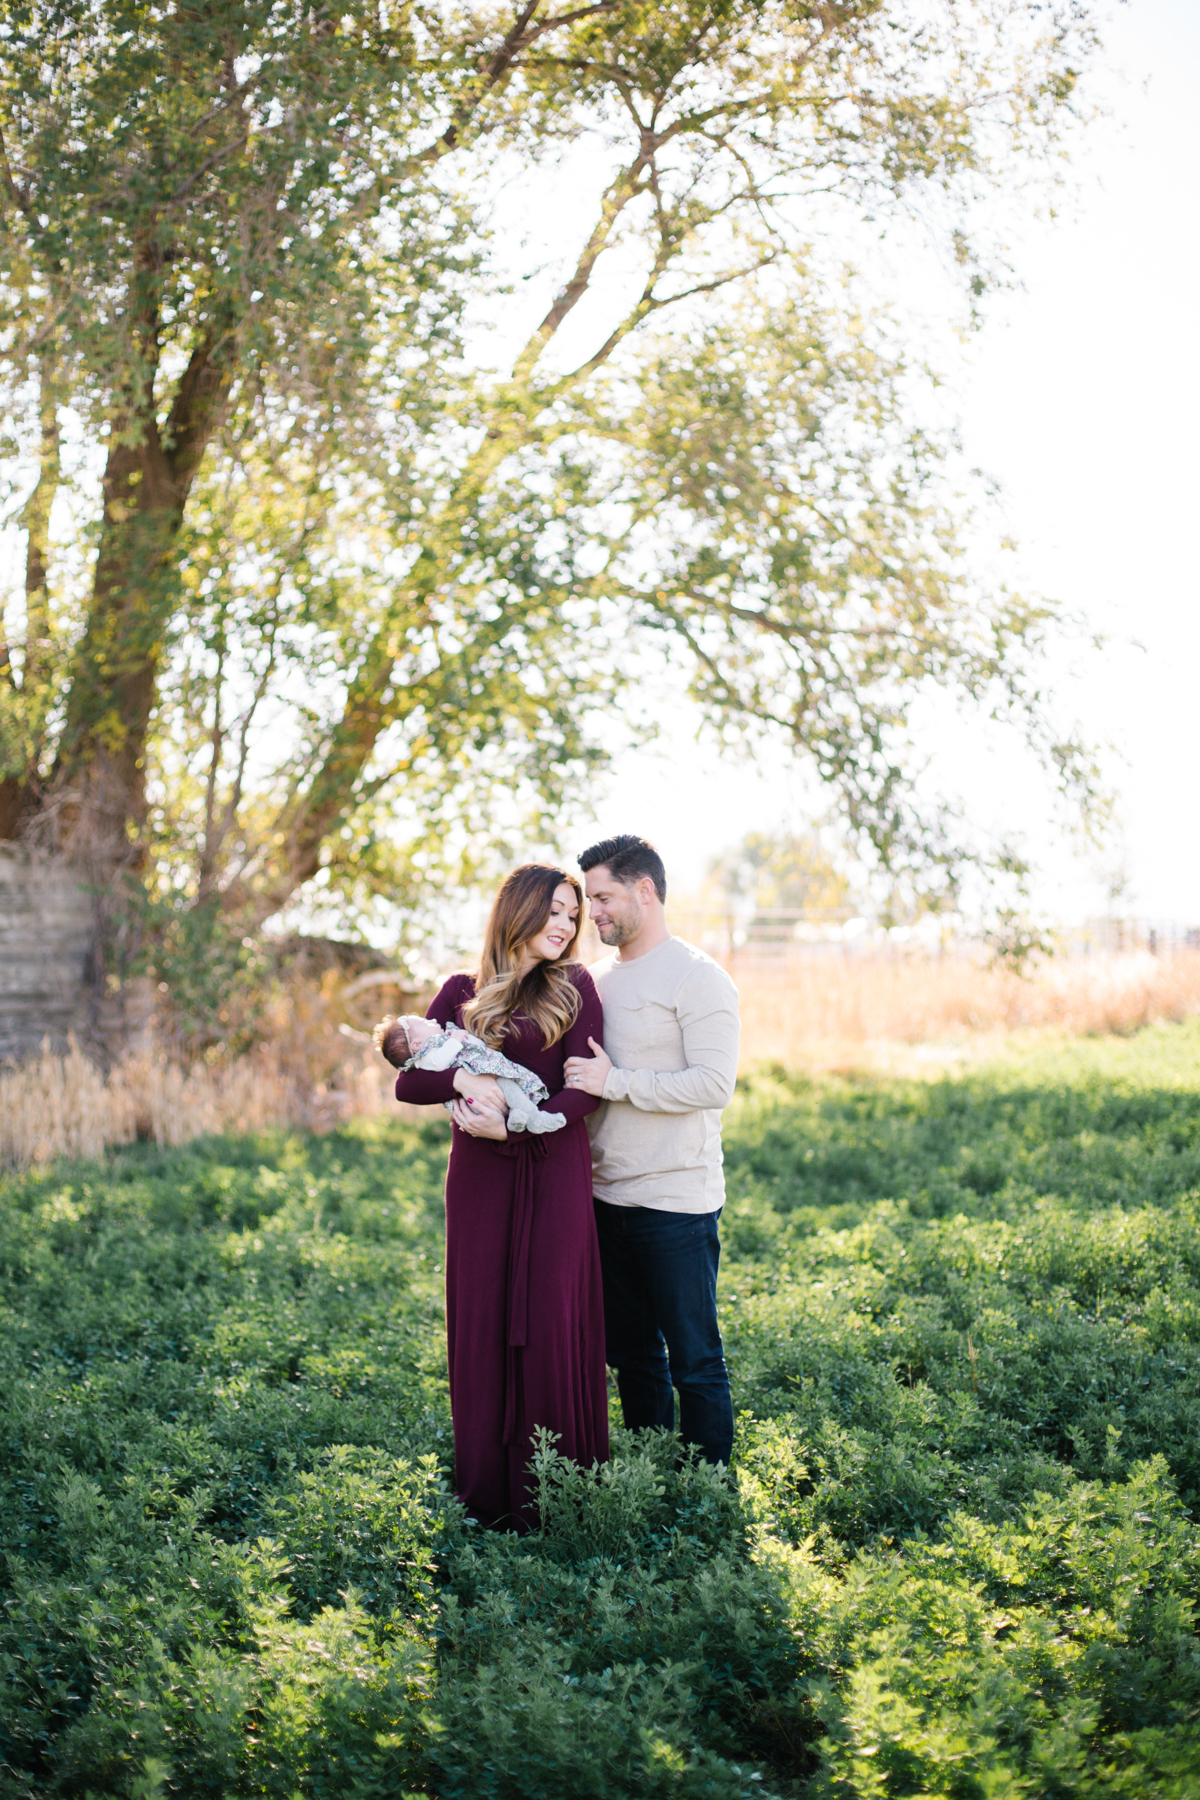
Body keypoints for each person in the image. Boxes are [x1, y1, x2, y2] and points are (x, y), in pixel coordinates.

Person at [393, 864, 608, 1529]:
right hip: (481, 1184)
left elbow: (585, 1091)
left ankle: (561, 1495)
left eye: (573, 914)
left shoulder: (575, 987)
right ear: (517, 911)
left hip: (552, 1170)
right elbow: (407, 1083)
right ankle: (488, 1495)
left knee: (550, 1321)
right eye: (554, 911)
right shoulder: (462, 992)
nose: (566, 925)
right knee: (484, 1322)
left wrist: (515, 1121)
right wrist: (461, 1080)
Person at [564, 834, 739, 1466]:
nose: (595, 912)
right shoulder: (595, 980)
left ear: (645, 890)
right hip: (604, 1199)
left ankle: (708, 1495)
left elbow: (714, 1084)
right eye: (590, 899)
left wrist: (617, 1083)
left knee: (694, 1358)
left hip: (675, 1203)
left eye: (604, 896)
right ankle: (648, 1479)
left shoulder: (698, 977)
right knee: (632, 1357)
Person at [374, 1013, 567, 1134]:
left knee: (509, 1089)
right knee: (509, 1085)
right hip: (475, 1099)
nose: (432, 1019)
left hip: (483, 1091)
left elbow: (477, 1047)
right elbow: (439, 1063)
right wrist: (456, 1040)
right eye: (426, 1022)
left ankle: (516, 1119)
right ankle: (534, 1117)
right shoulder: (426, 1057)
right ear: (416, 1045)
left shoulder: (439, 1042)